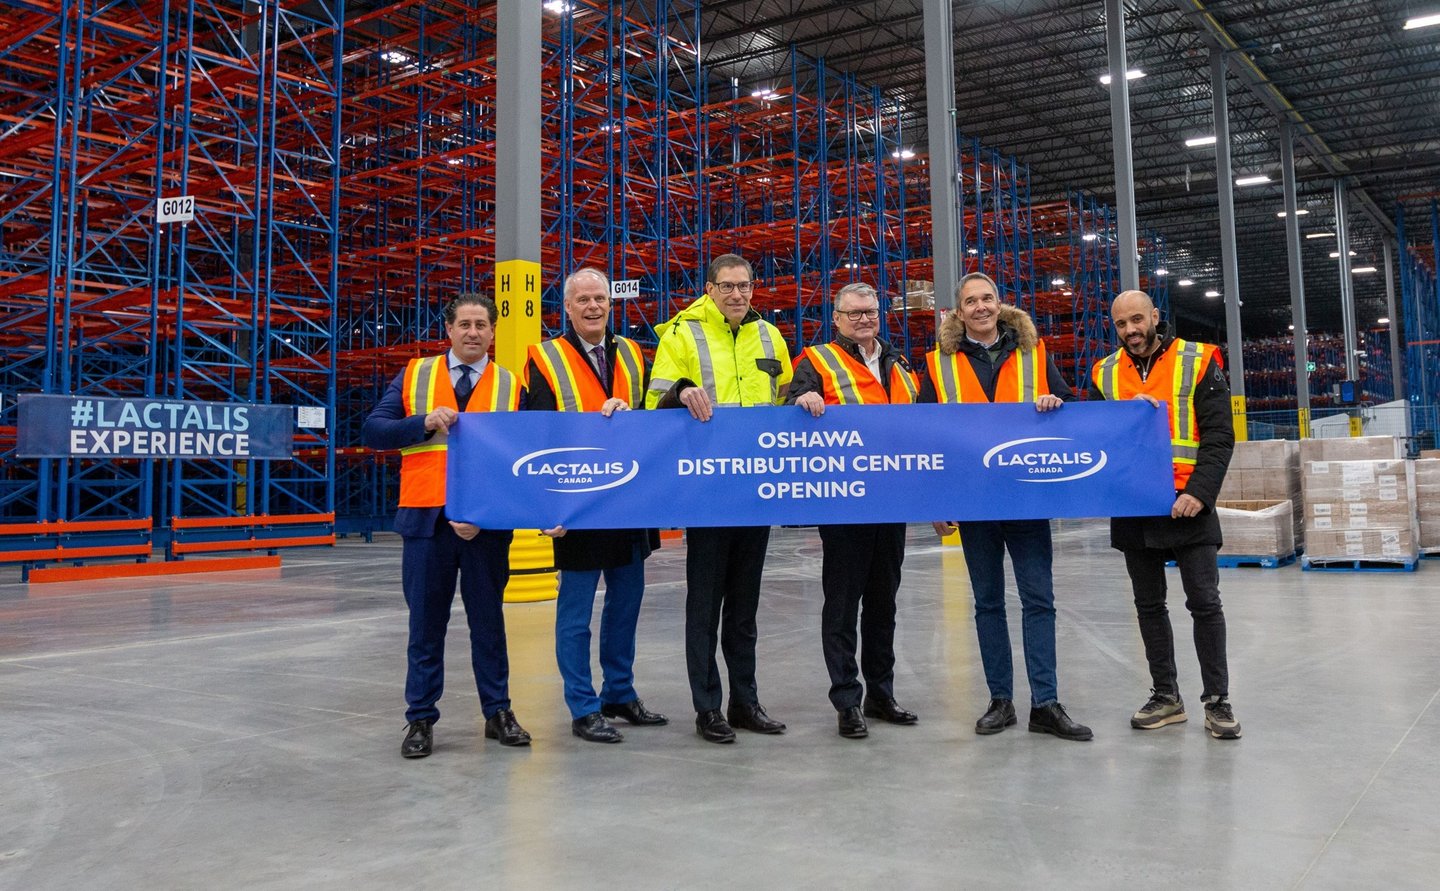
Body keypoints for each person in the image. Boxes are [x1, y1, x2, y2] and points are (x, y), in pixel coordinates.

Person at [920, 272, 1093, 742]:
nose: (980, 307)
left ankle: (1046, 702)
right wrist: (938, 501)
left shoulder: (1034, 355)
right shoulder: (938, 365)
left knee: (1039, 601)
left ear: (1000, 304)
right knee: (988, 604)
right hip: (974, 503)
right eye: (971, 301)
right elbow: (926, 439)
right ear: (959, 312)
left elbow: (1071, 412)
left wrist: (1055, 401)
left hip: (1027, 498)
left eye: (987, 298)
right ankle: (1000, 701)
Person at [361, 292, 530, 758]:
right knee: (426, 626)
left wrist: (490, 514)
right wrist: (421, 422)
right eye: (465, 324)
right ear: (449, 330)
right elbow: (374, 431)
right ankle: (420, 719)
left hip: (485, 527)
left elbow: (523, 459)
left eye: (482, 325)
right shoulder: (415, 375)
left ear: (494, 333)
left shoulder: (510, 385)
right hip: (426, 522)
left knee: (489, 624)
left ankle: (498, 712)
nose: (473, 332)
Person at [646, 253, 793, 744]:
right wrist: (683, 390)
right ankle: (708, 708)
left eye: (745, 286)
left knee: (745, 606)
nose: (737, 294)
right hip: (707, 490)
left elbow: (785, 400)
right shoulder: (681, 334)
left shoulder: (771, 336)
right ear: (709, 289)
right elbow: (655, 398)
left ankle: (745, 701)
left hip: (754, 488)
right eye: (727, 286)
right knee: (705, 605)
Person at [1087, 290, 1240, 740]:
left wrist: (1199, 493)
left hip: (1188, 505)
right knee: (1148, 606)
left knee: (1204, 604)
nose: (1131, 331)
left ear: (1155, 316)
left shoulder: (1198, 360)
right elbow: (1097, 439)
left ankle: (1217, 700)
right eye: (1121, 325)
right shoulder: (1105, 372)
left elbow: (1218, 436)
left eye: (1137, 320)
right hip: (1135, 507)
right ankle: (1166, 696)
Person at [525, 267, 667, 744]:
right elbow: (538, 435)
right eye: (582, 299)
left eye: (600, 299)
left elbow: (649, 418)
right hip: (579, 504)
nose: (592, 307)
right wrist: (550, 509)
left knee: (626, 605)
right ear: (566, 308)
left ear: (611, 303)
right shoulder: (544, 357)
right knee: (575, 614)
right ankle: (583, 707)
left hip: (628, 500)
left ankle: (619, 694)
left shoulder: (631, 351)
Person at [789, 282, 920, 739]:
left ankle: (881, 694)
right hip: (844, 507)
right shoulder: (817, 360)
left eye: (870, 312)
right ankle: (847, 699)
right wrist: (802, 399)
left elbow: (923, 428)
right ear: (837, 317)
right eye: (855, 313)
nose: (864, 319)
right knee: (842, 606)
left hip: (893, 501)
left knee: (883, 604)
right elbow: (789, 404)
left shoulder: (900, 363)